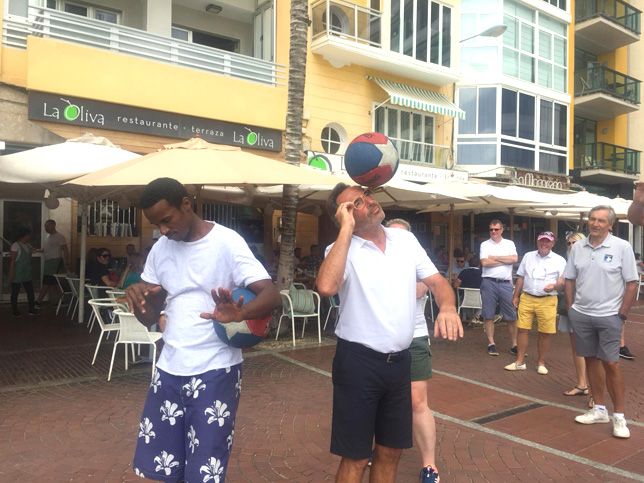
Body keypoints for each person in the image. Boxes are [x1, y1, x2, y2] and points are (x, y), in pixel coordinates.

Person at [126, 177, 281, 482]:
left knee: (204, 472)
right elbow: (149, 318)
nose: (164, 230)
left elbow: (271, 295)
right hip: (168, 369)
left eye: (167, 220)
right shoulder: (161, 249)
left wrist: (242, 313)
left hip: (215, 371)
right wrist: (141, 302)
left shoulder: (227, 242)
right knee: (163, 469)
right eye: (157, 225)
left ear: (186, 204)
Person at [316, 183, 462, 483]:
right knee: (355, 456)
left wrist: (448, 306)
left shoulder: (404, 239)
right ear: (345, 216)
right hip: (358, 364)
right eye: (357, 202)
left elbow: (437, 281)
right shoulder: (340, 249)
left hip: (400, 363)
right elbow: (327, 286)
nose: (369, 201)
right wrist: (346, 229)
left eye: (367, 195)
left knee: (391, 450)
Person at [565, 205, 638, 439]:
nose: (595, 223)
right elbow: (569, 279)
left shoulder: (622, 247)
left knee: (611, 364)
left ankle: (619, 416)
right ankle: (599, 410)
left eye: (601, 220)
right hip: (582, 314)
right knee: (591, 361)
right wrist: (571, 309)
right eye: (592, 219)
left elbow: (632, 283)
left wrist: (622, 315)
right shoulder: (578, 247)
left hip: (610, 316)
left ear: (610, 225)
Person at [385, 218, 440, 482]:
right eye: (391, 235)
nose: (397, 240)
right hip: (380, 339)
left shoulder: (420, 263)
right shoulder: (374, 259)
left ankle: (429, 465)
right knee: (379, 399)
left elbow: (418, 291)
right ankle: (380, 448)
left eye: (403, 236)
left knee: (417, 402)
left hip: (414, 337)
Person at [505, 232, 566, 375]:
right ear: (537, 242)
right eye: (541, 241)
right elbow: (521, 277)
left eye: (547, 241)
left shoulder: (559, 260)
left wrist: (555, 286)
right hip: (527, 297)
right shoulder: (528, 256)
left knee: (544, 333)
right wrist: (516, 296)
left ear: (552, 243)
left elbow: (562, 282)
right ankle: (519, 361)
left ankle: (541, 362)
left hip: (547, 299)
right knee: (522, 329)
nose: (544, 244)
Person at [559, 233, 594, 408]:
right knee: (576, 347)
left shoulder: (591, 260)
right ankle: (582, 384)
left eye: (575, 242)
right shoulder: (569, 263)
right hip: (572, 307)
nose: (571, 245)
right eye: (568, 243)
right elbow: (563, 283)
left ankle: (596, 392)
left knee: (593, 351)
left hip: (590, 309)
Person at [479, 220, 519, 356]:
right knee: (488, 314)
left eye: (496, 229)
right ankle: (491, 343)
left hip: (505, 283)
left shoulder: (509, 243)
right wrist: (504, 260)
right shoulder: (484, 244)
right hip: (488, 282)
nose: (493, 232)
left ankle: (514, 344)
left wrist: (494, 258)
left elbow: (514, 259)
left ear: (502, 230)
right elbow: (484, 262)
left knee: (512, 315)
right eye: (491, 230)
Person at [35, 219, 70, 309]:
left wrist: (66, 262)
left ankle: (39, 301)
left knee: (47, 281)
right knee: (54, 282)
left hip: (54, 261)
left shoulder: (59, 237)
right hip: (48, 261)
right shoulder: (48, 237)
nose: (45, 228)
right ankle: (64, 300)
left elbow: (65, 249)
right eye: (45, 226)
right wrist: (37, 250)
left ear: (53, 225)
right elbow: (46, 249)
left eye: (47, 226)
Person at [9, 227, 38, 317]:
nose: (30, 237)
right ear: (25, 235)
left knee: (30, 291)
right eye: (29, 235)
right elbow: (12, 260)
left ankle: (31, 308)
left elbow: (33, 250)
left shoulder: (28, 245)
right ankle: (15, 310)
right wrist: (11, 271)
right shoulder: (16, 245)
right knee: (15, 291)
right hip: (17, 271)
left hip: (26, 272)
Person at [453, 256, 482, 324]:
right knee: (487, 300)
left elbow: (455, 285)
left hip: (465, 299)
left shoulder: (464, 272)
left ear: (469, 264)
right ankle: (475, 317)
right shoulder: (482, 274)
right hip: (479, 299)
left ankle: (472, 317)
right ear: (479, 265)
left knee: (461, 301)